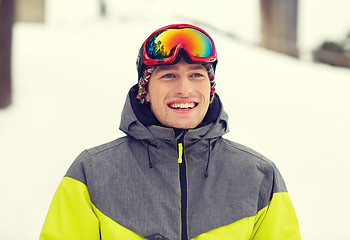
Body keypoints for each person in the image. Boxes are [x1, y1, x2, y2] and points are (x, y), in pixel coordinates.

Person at [40, 23, 301, 240]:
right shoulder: (93, 173)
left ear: (210, 89)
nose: (184, 89)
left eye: (197, 75)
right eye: (168, 76)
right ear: (146, 90)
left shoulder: (258, 176)